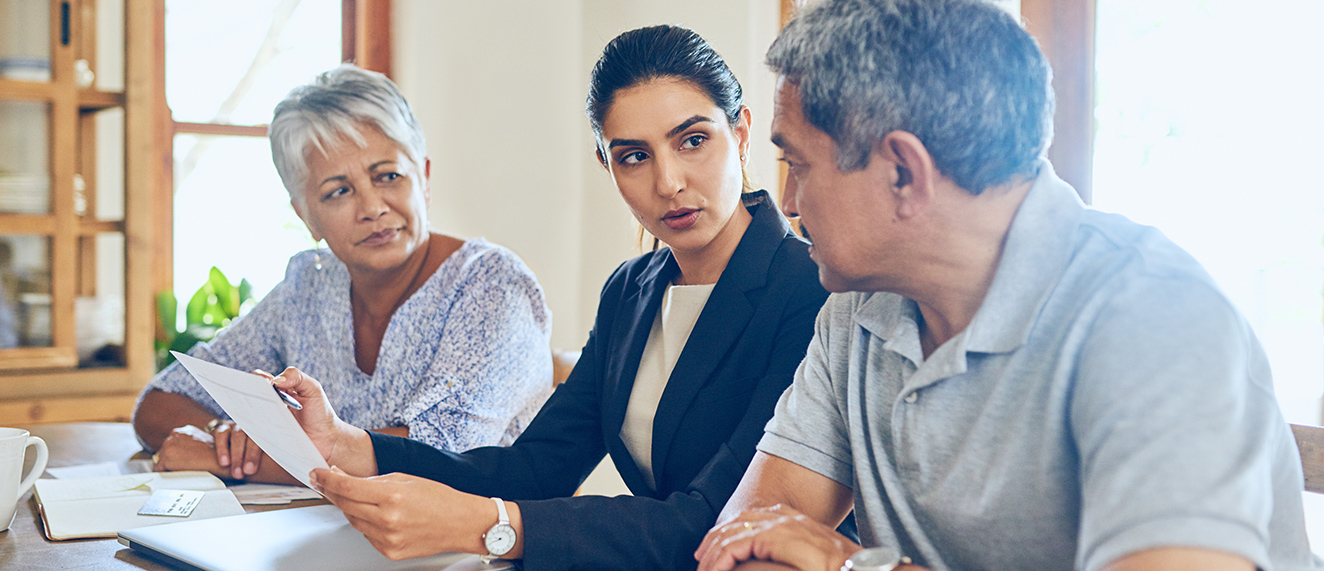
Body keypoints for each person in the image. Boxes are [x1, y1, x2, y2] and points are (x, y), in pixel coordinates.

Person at [694, 1, 1321, 570]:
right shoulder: (857, 309)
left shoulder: (1158, 318)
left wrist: (854, 566)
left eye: (797, 165)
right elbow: (745, 544)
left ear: (905, 173)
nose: (789, 202)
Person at [269, 25, 831, 570]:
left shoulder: (811, 289)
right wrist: (351, 446)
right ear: (606, 165)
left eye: (693, 140)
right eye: (633, 156)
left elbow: (716, 520)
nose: (668, 182)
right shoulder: (630, 292)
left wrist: (489, 523)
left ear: (741, 133)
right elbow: (537, 468)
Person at [133, 65, 554, 484]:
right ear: (306, 216)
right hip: (331, 535)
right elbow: (163, 400)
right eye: (338, 191)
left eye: (388, 175)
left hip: (474, 546)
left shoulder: (493, 286)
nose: (372, 207)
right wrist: (218, 435)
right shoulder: (308, 286)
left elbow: (438, 454)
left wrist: (227, 461)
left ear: (423, 177)